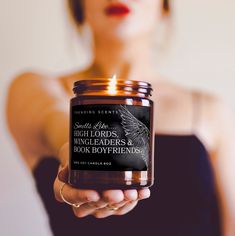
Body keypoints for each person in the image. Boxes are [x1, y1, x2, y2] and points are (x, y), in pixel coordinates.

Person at [6, 0, 235, 235]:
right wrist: (76, 151)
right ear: (79, 6)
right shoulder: (34, 88)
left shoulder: (207, 109)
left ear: (164, 7)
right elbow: (53, 119)